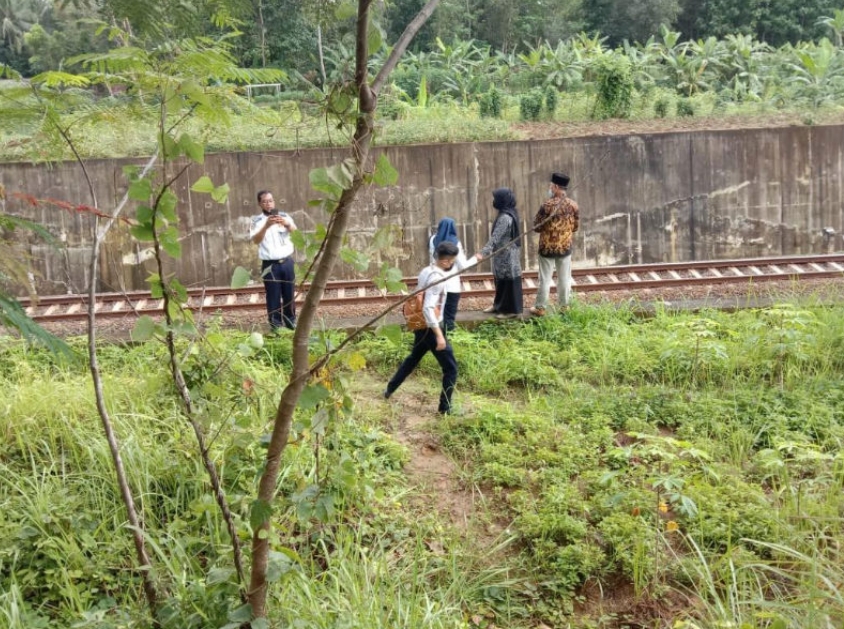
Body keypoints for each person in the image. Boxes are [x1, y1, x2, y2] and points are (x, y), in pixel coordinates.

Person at [385, 241, 460, 415]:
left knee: (413, 358)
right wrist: (439, 336)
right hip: (431, 327)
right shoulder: (437, 279)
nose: (453, 264)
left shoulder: (427, 271)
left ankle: (389, 389)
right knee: (451, 368)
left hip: (421, 326)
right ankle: (445, 409)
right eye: (452, 261)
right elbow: (427, 307)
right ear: (445, 261)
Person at [530, 172, 580, 316]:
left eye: (551, 186)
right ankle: (564, 306)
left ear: (556, 187)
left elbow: (537, 227)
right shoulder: (573, 205)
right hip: (565, 248)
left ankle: (540, 308)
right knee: (564, 278)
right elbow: (575, 227)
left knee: (545, 279)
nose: (550, 188)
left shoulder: (546, 206)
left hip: (547, 249)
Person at [249, 190, 298, 330]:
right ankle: (276, 326)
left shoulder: (285, 216)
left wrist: (287, 225)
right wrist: (266, 226)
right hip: (270, 265)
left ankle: (290, 323)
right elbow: (256, 241)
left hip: (287, 262)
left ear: (274, 202)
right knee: (273, 296)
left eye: (270, 201)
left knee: (289, 293)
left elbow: (296, 233)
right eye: (264, 201)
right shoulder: (256, 221)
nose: (268, 204)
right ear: (259, 204)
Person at [478, 187, 523, 319]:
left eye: (495, 198)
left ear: (502, 200)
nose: (494, 201)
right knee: (500, 281)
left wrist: (482, 253)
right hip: (502, 255)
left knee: (507, 282)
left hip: (507, 256)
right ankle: (498, 306)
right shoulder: (509, 212)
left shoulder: (505, 217)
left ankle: (510, 311)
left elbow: (495, 238)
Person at [428, 217, 471, 332]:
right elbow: (463, 265)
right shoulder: (455, 242)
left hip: (435, 282)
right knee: (449, 316)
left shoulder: (432, 240)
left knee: (435, 313)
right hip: (451, 286)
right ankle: (448, 337)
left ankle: (435, 336)